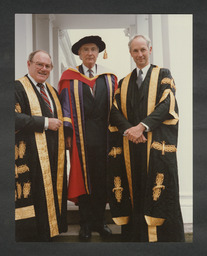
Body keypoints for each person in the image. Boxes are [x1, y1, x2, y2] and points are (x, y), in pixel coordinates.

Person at [107, 34, 185, 242]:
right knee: (134, 192)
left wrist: (141, 127)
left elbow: (166, 104)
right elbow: (114, 112)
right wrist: (130, 131)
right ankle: (136, 240)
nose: (140, 54)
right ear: (130, 53)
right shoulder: (123, 82)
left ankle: (164, 242)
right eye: (135, 50)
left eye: (143, 50)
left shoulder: (163, 75)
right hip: (132, 148)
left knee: (159, 190)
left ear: (150, 50)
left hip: (155, 146)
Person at [58, 36, 118, 240]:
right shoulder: (70, 78)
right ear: (80, 54)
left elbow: (116, 110)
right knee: (82, 180)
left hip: (105, 139)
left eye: (93, 49)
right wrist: (67, 135)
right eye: (85, 50)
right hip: (80, 140)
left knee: (102, 180)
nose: (90, 53)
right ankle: (85, 225)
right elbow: (65, 107)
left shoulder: (109, 78)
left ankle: (100, 222)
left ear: (98, 52)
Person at [15, 50, 68, 242]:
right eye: (39, 64)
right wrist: (45, 122)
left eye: (47, 66)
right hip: (29, 155)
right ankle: (36, 238)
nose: (43, 69)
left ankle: (50, 231)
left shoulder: (51, 91)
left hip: (53, 152)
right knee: (34, 194)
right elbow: (12, 117)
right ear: (28, 64)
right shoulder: (17, 87)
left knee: (51, 191)